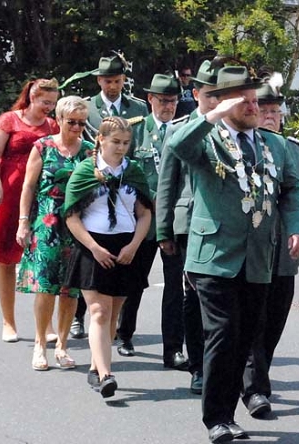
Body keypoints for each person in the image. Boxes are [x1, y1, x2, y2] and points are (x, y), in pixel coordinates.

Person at [167, 65, 299, 443]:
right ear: (223, 102)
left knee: (246, 336)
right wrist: (211, 112)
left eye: (254, 99)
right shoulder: (207, 139)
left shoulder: (273, 143)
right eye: (244, 100)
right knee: (224, 332)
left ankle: (228, 415)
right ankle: (215, 418)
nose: (253, 106)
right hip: (213, 255)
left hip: (258, 257)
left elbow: (293, 190)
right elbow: (176, 147)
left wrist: (298, 229)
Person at [242, 80, 299, 418]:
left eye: (274, 112)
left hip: (284, 255)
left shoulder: (294, 151)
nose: (269, 117)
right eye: (263, 111)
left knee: (274, 322)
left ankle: (253, 375)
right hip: (249, 252)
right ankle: (255, 390)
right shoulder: (241, 147)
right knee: (253, 321)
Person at [64, 116, 152, 398]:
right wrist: (93, 247)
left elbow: (145, 213)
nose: (121, 148)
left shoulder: (134, 171)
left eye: (126, 143)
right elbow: (71, 216)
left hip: (126, 245)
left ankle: (95, 367)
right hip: (94, 244)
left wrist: (135, 245)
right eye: (115, 142)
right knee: (99, 311)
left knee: (113, 311)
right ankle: (106, 374)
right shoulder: (85, 170)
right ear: (100, 139)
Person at [71, 53, 149, 340]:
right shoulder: (88, 107)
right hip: (93, 181)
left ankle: (120, 327)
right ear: (99, 80)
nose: (112, 85)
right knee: (90, 265)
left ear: (123, 81)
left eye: (117, 80)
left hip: (126, 183)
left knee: (121, 271)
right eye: (107, 80)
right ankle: (80, 317)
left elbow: (138, 147)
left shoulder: (137, 107)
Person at [155, 60, 221, 394]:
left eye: (221, 95)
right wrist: (163, 230)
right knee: (192, 297)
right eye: (210, 95)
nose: (215, 102)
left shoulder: (228, 127)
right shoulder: (179, 129)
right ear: (195, 94)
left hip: (222, 226)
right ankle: (197, 366)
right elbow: (167, 183)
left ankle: (219, 364)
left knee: (220, 301)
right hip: (187, 224)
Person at [116, 73, 189, 370]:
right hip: (142, 219)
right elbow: (122, 173)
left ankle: (173, 348)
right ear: (150, 100)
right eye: (163, 101)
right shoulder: (137, 131)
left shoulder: (185, 131)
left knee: (176, 286)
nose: (168, 106)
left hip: (173, 221)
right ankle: (124, 334)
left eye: (173, 101)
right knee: (134, 280)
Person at [0, 78, 60, 343]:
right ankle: (8, 322)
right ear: (32, 98)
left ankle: (46, 325)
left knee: (44, 258)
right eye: (45, 102)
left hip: (42, 196)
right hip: (8, 193)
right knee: (4, 260)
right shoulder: (9, 120)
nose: (49, 107)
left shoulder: (53, 125)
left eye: (53, 102)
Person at [16, 96, 93, 371]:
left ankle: (62, 346)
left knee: (71, 290)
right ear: (58, 120)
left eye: (82, 123)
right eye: (71, 121)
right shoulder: (43, 147)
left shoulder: (88, 151)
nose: (76, 127)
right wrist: (23, 222)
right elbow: (28, 187)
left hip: (77, 224)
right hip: (46, 223)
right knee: (46, 288)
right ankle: (40, 344)